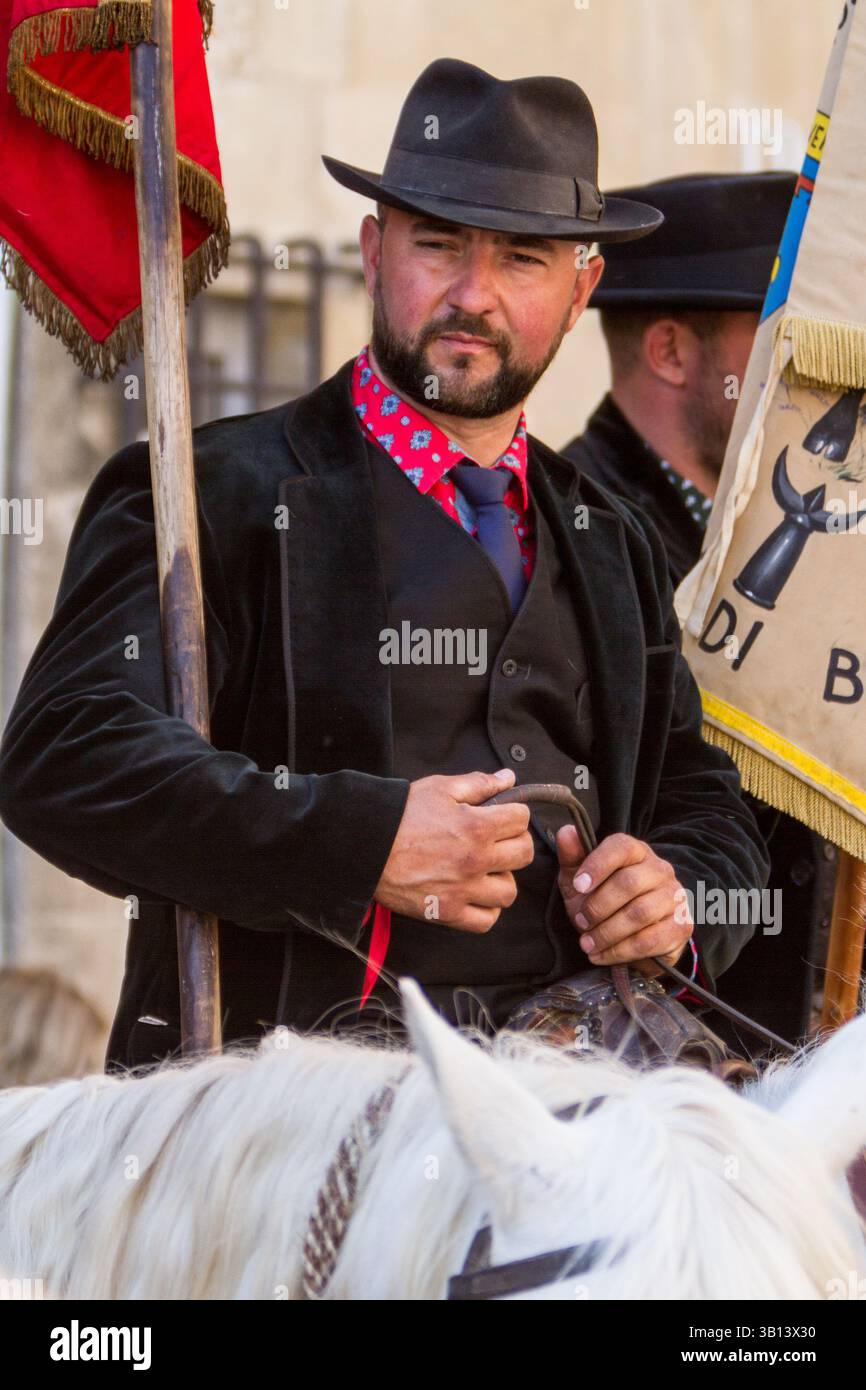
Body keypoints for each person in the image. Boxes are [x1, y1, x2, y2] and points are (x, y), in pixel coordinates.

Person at [0, 61, 767, 1071]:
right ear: (373, 251)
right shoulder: (205, 494)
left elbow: (700, 796)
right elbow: (66, 756)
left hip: (568, 1131)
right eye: (437, 243)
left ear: (582, 289)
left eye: (522, 259)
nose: (470, 295)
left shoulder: (608, 534)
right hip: (277, 1134)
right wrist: (360, 843)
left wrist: (673, 898)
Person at [561, 172, 834, 1044]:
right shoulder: (576, 530)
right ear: (674, 354)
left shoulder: (775, 524)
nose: (810, 376)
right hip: (675, 1073)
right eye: (776, 343)